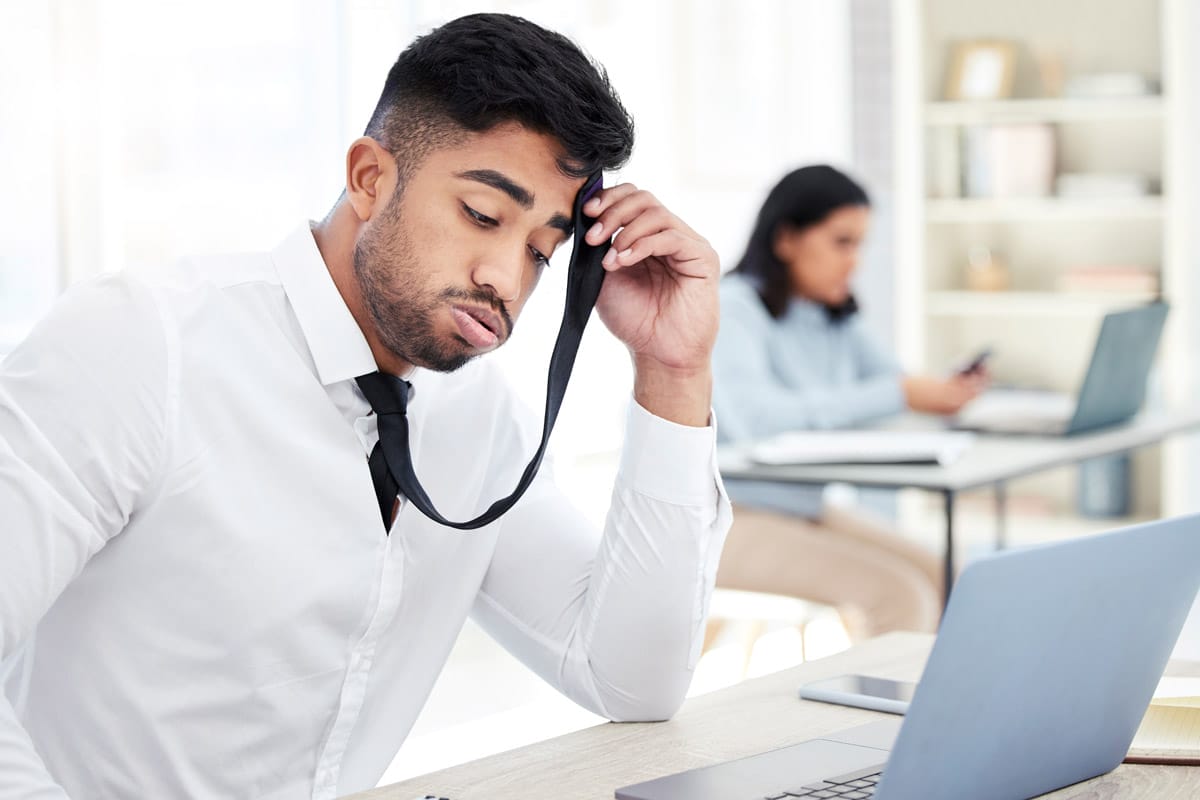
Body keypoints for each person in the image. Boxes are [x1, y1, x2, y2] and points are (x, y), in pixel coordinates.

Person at [0, 14, 731, 799]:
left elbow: (632, 680)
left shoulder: (478, 419)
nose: (506, 280)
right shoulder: (141, 344)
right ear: (369, 177)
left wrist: (672, 369)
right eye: (483, 216)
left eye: (540, 251)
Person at [711, 165, 985, 640]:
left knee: (955, 578)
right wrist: (901, 392)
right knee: (901, 597)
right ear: (786, 239)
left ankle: (948, 707)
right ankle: (886, 715)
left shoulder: (832, 313)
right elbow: (756, 421)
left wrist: (939, 391)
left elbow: (895, 383)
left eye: (861, 244)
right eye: (843, 242)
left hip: (801, 507)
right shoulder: (733, 308)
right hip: (728, 518)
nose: (855, 261)